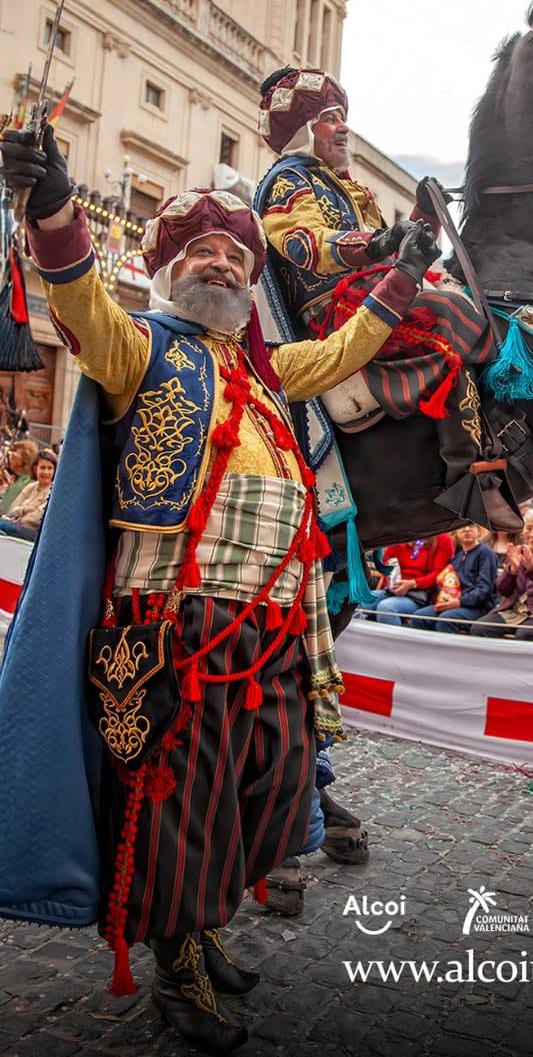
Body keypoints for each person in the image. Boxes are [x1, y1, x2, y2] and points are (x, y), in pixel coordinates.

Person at [0, 125, 437, 1054]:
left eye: (234, 253)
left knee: (264, 793)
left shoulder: (273, 372)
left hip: (277, 630)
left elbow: (354, 345)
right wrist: (51, 208)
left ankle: (204, 931)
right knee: (181, 803)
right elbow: (76, 299)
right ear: (168, 270)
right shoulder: (137, 349)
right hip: (177, 627)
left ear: (250, 283)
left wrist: (408, 270)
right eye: (200, 248)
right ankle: (179, 966)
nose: (219, 260)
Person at [256, 66, 525, 532]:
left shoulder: (346, 185)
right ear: (303, 131)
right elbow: (306, 244)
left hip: (371, 292)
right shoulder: (287, 180)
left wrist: (424, 212)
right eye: (330, 118)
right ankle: (473, 479)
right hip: (332, 310)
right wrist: (381, 244)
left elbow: (397, 243)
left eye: (342, 117)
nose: (343, 127)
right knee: (444, 316)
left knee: (478, 303)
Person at [470, 507, 533, 638]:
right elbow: (502, 590)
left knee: (526, 634)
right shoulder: (519, 549)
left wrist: (532, 568)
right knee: (479, 628)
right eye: (529, 529)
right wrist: (512, 571)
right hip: (514, 610)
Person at [418, 523, 498, 632]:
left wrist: (459, 602)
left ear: (479, 531)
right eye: (462, 526)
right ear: (456, 532)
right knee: (420, 617)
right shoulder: (458, 557)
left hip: (479, 607)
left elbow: (484, 589)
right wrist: (445, 598)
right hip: (456, 603)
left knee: (446, 619)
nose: (467, 529)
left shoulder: (486, 553)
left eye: (471, 526)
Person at [371, 533, 455, 626]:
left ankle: (393, 640)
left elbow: (439, 574)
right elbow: (387, 560)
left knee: (386, 607)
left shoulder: (443, 539)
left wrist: (413, 583)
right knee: (358, 602)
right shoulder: (404, 532)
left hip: (420, 595)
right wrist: (392, 579)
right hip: (393, 589)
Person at [0, 447, 57, 539]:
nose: (46, 472)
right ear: (35, 469)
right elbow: (13, 508)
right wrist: (25, 509)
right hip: (15, 526)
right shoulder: (30, 487)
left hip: (35, 532)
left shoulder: (53, 491)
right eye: (42, 468)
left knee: (2, 524)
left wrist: (19, 517)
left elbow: (38, 517)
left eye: (50, 468)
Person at [0, 437, 38, 515]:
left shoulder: (28, 480)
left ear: (26, 457)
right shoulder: (19, 478)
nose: (11, 454)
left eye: (16, 451)